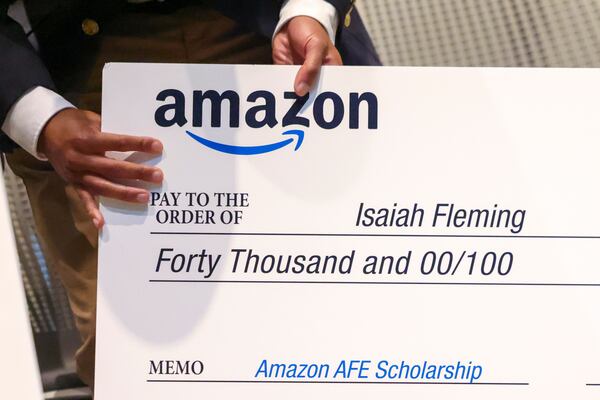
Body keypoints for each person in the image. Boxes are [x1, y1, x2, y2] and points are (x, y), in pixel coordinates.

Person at [0, 0, 380, 387]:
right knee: (136, 357)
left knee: (340, 320)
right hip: (79, 60)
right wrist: (37, 112)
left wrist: (310, 7)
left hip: (267, 31)